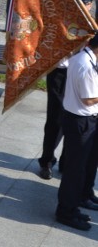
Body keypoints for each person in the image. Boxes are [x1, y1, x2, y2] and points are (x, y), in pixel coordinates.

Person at [39, 0, 96, 180]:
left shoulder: (93, 26)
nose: (83, 6)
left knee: (75, 119)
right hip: (61, 73)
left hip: (83, 75)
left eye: (87, 3)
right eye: (79, 2)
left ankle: (66, 161)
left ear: (91, 5)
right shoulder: (61, 22)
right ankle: (46, 161)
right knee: (55, 119)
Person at [54, 33, 98, 231]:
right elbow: (89, 99)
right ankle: (65, 212)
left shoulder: (81, 57)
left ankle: (72, 206)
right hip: (82, 122)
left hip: (78, 119)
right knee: (75, 170)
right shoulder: (86, 66)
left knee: (79, 168)